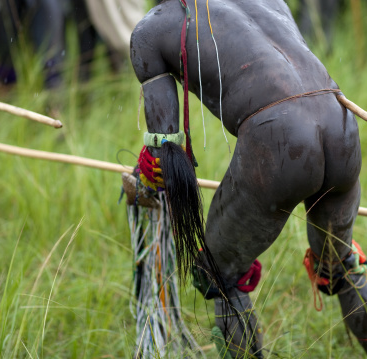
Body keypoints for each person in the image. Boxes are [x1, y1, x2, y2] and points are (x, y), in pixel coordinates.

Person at [130, 0, 365, 357]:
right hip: (341, 125)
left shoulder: (151, 30)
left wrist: (145, 181)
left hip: (282, 140)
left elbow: (165, 149)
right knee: (340, 266)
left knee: (219, 276)